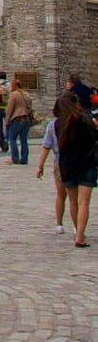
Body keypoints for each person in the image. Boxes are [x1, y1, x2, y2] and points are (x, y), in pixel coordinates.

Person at [57, 92, 98, 248]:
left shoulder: (58, 123)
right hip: (86, 164)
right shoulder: (84, 121)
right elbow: (94, 138)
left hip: (67, 166)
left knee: (73, 202)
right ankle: (80, 236)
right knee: (83, 203)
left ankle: (78, 231)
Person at [35, 99, 69, 234]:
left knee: (61, 194)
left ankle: (59, 224)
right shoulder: (75, 123)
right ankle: (76, 225)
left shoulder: (52, 125)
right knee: (74, 196)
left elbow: (46, 146)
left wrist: (40, 165)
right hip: (72, 161)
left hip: (59, 161)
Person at [5, 78, 33, 165]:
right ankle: (24, 159)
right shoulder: (26, 94)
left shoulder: (14, 95)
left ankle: (15, 158)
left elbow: (10, 108)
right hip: (26, 119)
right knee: (23, 140)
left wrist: (7, 120)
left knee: (12, 139)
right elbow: (30, 106)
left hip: (17, 118)